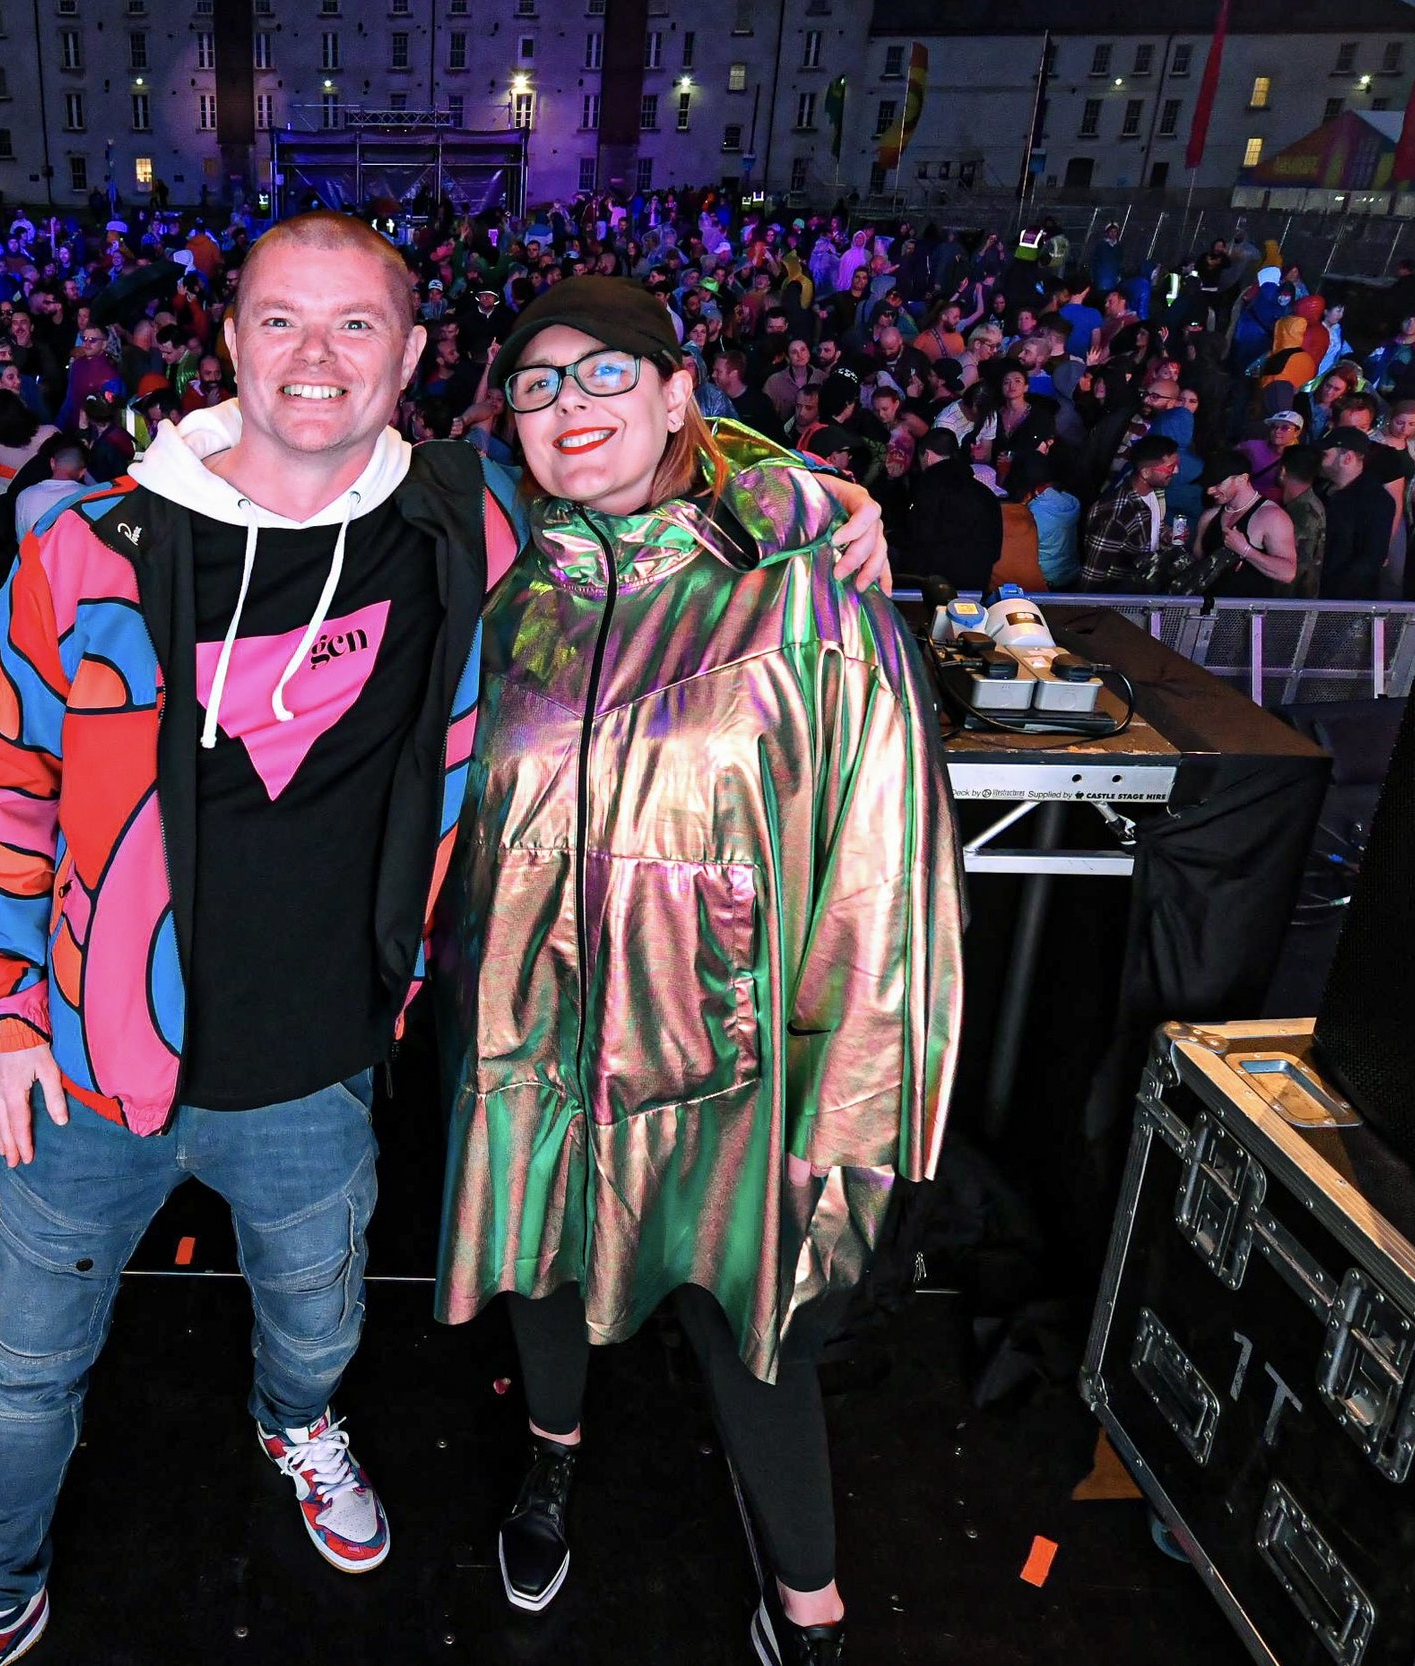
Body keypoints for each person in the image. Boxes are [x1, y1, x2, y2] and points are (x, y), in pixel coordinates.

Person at [0, 216, 890, 1666]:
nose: (317, 359)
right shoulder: (90, 549)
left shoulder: (454, 519)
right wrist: (1, 1013)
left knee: (314, 1334)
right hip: (86, 1061)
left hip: (317, 1068)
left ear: (416, 359)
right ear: (232, 338)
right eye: (282, 322)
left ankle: (296, 1428)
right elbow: (2, 779)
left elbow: (637, 448)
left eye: (356, 326)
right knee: (22, 1371)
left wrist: (809, 482)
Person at [441, 274, 960, 1666]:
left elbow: (881, 864)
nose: (569, 408)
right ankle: (552, 1459)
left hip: (729, 1055)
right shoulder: (495, 587)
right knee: (541, 1265)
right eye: (538, 384)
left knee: (753, 1317)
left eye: (605, 374)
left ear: (682, 395)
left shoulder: (799, 594)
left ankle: (809, 1593)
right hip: (534, 1033)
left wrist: (850, 1092)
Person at [905, 424, 1004, 590]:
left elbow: (918, 536)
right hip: (976, 586)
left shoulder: (928, 488)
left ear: (927, 456)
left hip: (933, 587)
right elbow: (995, 551)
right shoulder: (986, 493)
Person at [1079, 434, 1182, 591]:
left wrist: (1166, 533)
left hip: (1144, 587)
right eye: (1170, 467)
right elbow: (1093, 575)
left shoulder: (1153, 492)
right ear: (1146, 472)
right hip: (1120, 599)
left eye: (1176, 464)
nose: (1176, 471)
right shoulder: (1116, 517)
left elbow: (1152, 525)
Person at [1188, 455, 1296, 596]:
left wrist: (1246, 551)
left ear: (1242, 478)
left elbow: (1287, 573)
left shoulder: (1271, 516)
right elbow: (1198, 560)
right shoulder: (1209, 516)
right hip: (1207, 610)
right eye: (1208, 484)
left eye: (1218, 484)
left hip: (1246, 613)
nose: (1209, 491)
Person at [1317, 429, 1396, 599]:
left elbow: (1371, 558)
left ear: (1346, 458)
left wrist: (1334, 591)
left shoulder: (1376, 500)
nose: (1320, 461)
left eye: (1325, 455)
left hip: (1344, 600)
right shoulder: (1321, 489)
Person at [1272, 447, 1327, 598]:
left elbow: (1298, 563)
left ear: (1283, 471)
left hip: (1292, 600)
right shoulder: (1310, 504)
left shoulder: (1301, 511)